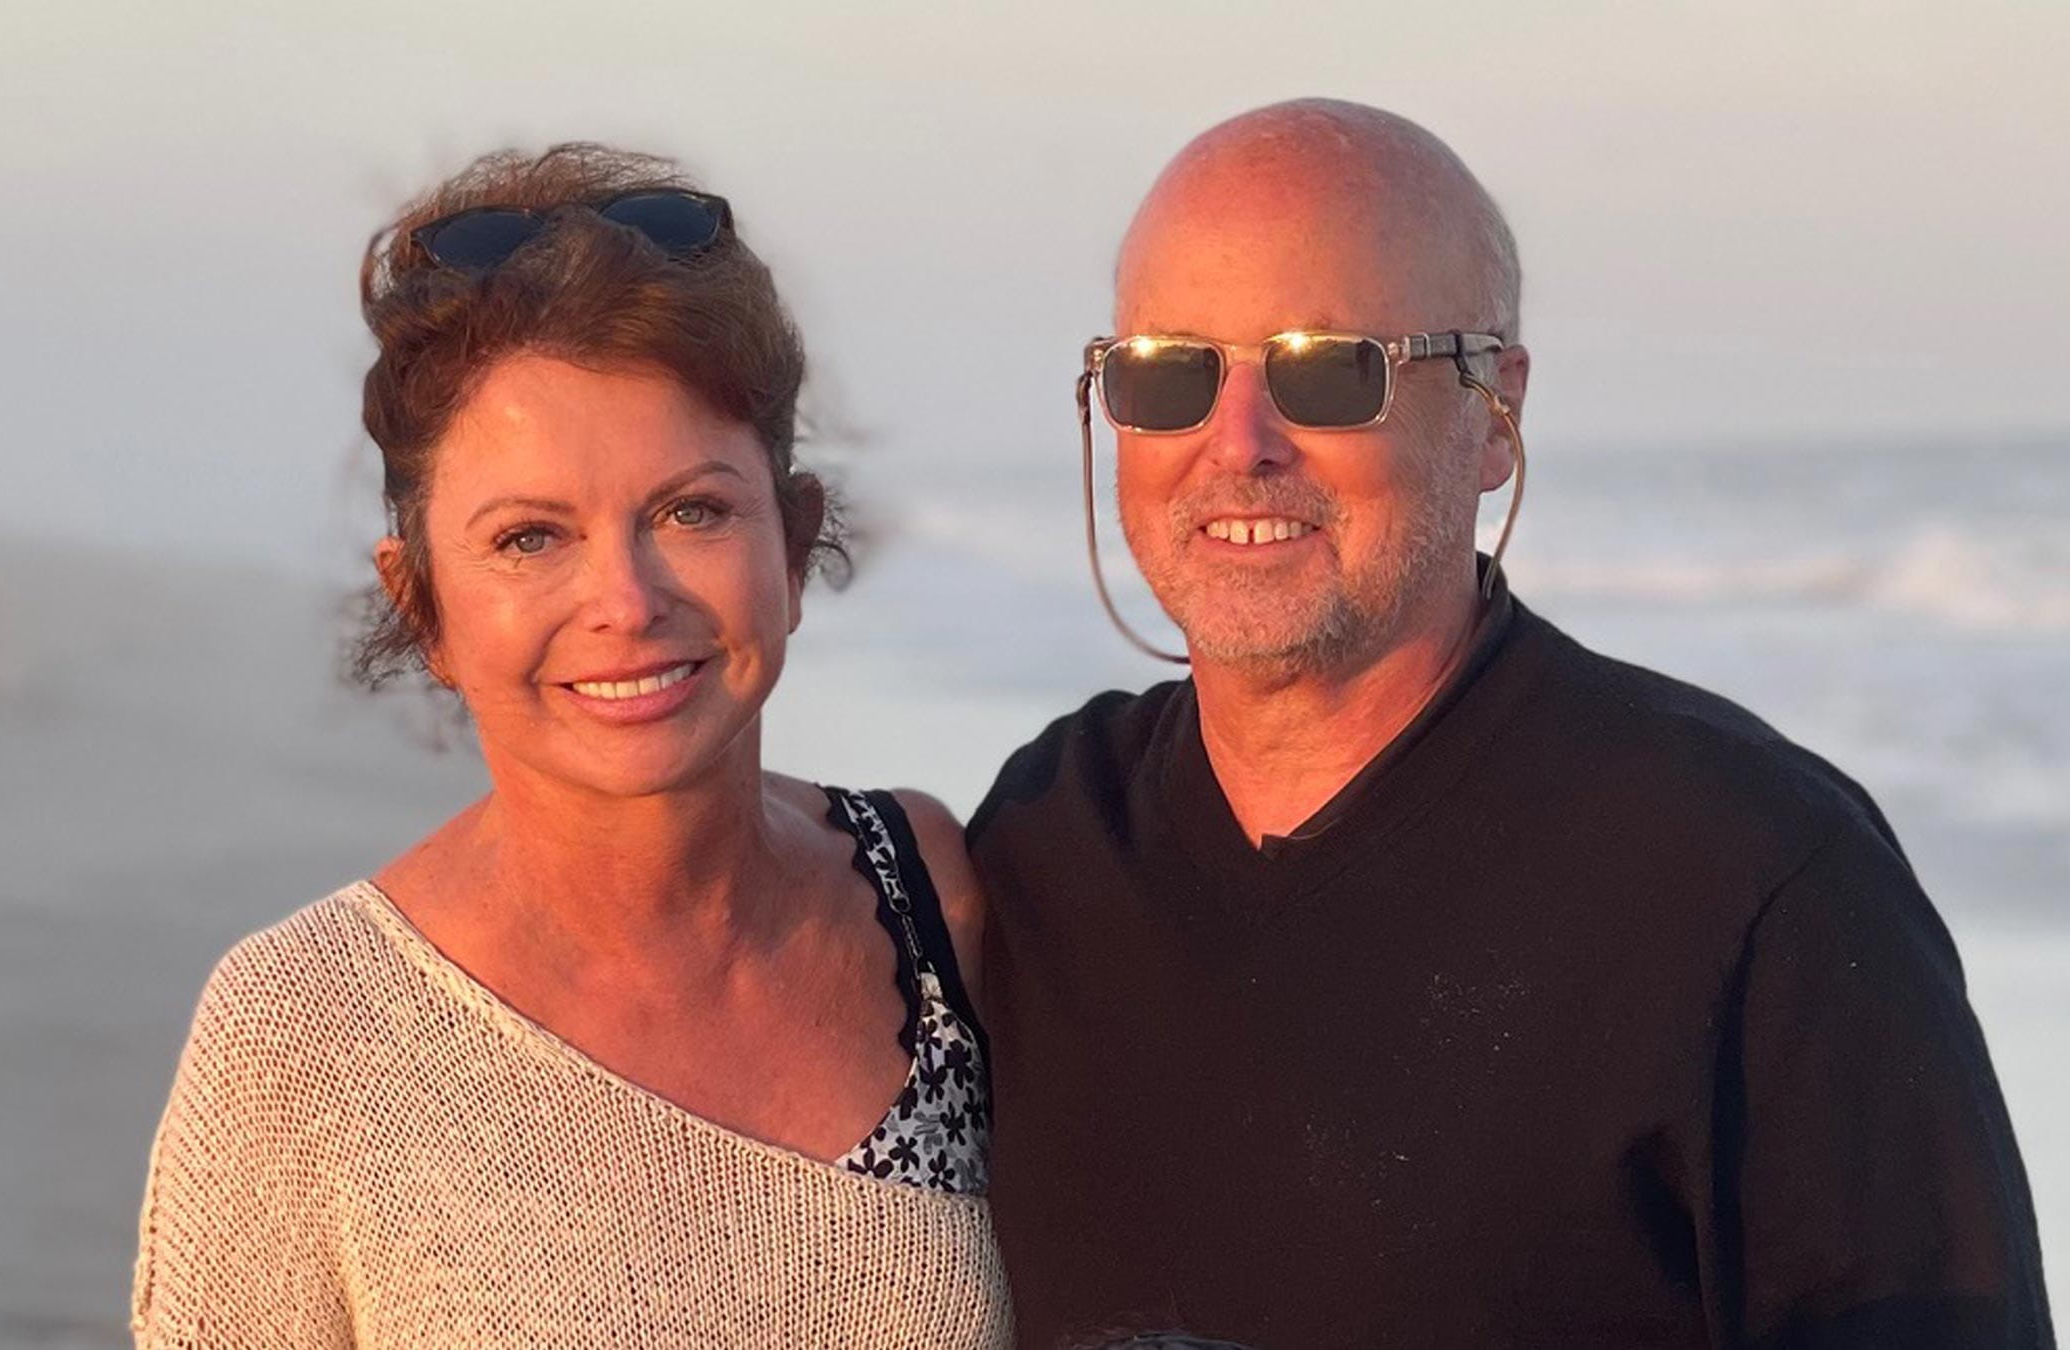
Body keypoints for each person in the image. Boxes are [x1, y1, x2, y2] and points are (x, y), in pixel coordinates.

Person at [969, 99, 2051, 1348]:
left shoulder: (1752, 877)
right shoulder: (1052, 835)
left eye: (1329, 367)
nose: (1239, 444)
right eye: (1169, 373)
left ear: (1494, 411)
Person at [130, 144, 1008, 1347]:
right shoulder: (306, 1042)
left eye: (691, 512)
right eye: (531, 539)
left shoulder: (933, 902)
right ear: (421, 604)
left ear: (793, 549)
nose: (628, 600)